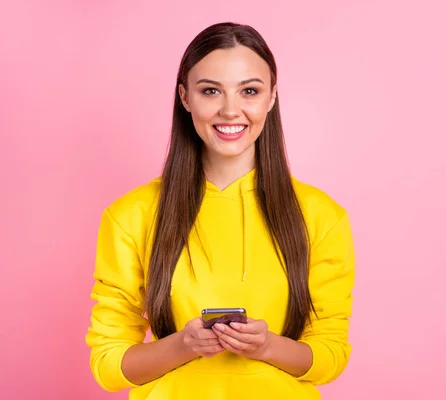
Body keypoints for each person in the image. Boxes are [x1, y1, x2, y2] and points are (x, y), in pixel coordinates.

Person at [85, 22, 355, 399]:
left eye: (249, 91)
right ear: (185, 97)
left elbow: (330, 353)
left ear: (272, 97)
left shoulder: (321, 216)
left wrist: (267, 347)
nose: (231, 110)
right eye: (211, 90)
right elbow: (109, 365)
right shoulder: (131, 215)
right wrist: (183, 345)